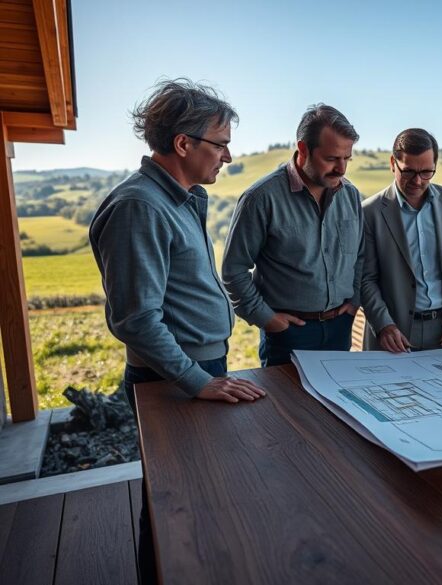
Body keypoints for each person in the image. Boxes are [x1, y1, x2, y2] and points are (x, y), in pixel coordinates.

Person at [89, 78, 265, 585]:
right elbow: (136, 319)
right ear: (183, 143)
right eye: (220, 143)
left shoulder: (179, 198)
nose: (227, 156)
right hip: (174, 383)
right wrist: (198, 381)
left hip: (194, 374)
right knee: (173, 509)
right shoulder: (140, 207)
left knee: (200, 498)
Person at [222, 104, 363, 366]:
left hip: (341, 328)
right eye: (332, 159)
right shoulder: (261, 198)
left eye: (347, 159)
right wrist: (266, 318)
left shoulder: (351, 195)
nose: (342, 169)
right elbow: (234, 270)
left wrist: (355, 299)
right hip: (289, 335)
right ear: (303, 149)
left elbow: (361, 255)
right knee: (287, 407)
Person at [360, 128, 442, 352]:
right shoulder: (369, 212)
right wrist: (384, 326)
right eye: (409, 172)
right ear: (393, 163)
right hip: (392, 335)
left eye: (427, 172)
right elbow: (366, 279)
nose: (418, 181)